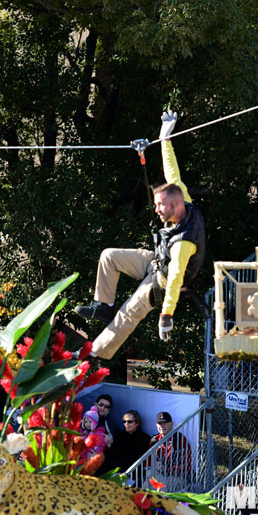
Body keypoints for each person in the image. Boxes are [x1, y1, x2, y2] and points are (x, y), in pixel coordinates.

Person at [75, 110, 206, 359]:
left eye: (161, 206)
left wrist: (166, 315)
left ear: (176, 205)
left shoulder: (184, 243)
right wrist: (164, 138)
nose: (156, 209)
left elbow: (176, 278)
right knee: (109, 256)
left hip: (164, 279)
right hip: (155, 260)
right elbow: (172, 173)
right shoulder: (184, 200)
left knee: (130, 311)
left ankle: (92, 355)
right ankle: (104, 306)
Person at [148, 411, 193, 492]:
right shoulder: (155, 439)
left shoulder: (180, 440)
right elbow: (146, 460)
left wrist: (165, 469)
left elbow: (187, 466)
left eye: (165, 423)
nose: (162, 426)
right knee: (146, 485)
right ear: (156, 425)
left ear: (172, 424)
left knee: (161, 489)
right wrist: (154, 463)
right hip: (158, 474)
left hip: (177, 476)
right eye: (159, 423)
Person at [100, 409, 151, 474]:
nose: (126, 423)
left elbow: (136, 458)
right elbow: (111, 455)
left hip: (133, 473)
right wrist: (109, 445)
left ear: (137, 423)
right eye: (124, 421)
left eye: (129, 421)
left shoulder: (145, 438)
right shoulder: (118, 435)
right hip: (115, 470)